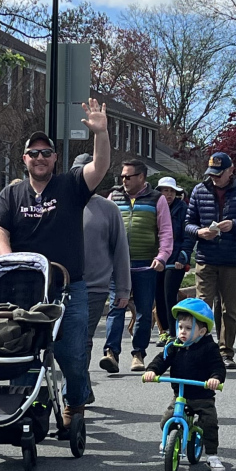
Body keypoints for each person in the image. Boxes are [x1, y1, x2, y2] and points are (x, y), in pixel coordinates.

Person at [0, 100, 112, 427]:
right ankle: (24, 407)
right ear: (24, 159)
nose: (40, 157)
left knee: (72, 354)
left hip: (68, 288)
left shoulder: (70, 185)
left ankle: (75, 403)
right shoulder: (11, 194)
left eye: (46, 152)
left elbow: (99, 166)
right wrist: (8, 258)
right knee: (21, 352)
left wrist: (100, 133)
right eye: (34, 153)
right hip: (23, 290)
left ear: (55, 158)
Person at [185, 152, 236, 370]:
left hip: (233, 260)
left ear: (230, 171)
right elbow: (188, 223)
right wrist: (199, 232)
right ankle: (199, 350)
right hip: (206, 258)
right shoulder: (199, 190)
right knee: (201, 306)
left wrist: (234, 225)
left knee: (229, 309)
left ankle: (225, 352)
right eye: (211, 174)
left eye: (219, 174)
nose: (214, 178)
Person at [142, 296, 227, 471]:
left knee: (209, 423)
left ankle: (212, 455)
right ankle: (171, 442)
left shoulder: (209, 348)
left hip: (202, 396)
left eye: (188, 328)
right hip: (180, 396)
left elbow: (217, 366)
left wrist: (215, 378)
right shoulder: (174, 345)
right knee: (167, 420)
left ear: (202, 331)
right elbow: (162, 360)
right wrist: (152, 371)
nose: (182, 332)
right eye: (180, 327)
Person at [102, 158, 173, 373]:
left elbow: (165, 231)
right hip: (118, 264)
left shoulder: (157, 199)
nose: (123, 180)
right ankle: (111, 353)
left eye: (128, 176)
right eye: (122, 176)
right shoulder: (113, 197)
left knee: (143, 311)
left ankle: (138, 354)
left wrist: (162, 257)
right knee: (116, 308)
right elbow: (104, 229)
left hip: (146, 264)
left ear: (141, 177)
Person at [72, 154, 130, 385]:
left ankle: (76, 389)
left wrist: (123, 289)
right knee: (62, 341)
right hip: (61, 285)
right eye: (78, 174)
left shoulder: (108, 208)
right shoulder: (59, 204)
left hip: (94, 287)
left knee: (82, 338)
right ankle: (77, 384)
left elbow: (120, 250)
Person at [155, 176, 190, 337]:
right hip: (157, 258)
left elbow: (187, 235)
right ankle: (164, 331)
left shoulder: (182, 209)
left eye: (171, 191)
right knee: (159, 296)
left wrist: (183, 256)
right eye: (165, 190)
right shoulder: (154, 206)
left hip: (175, 260)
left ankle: (174, 333)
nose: (168, 194)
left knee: (170, 295)